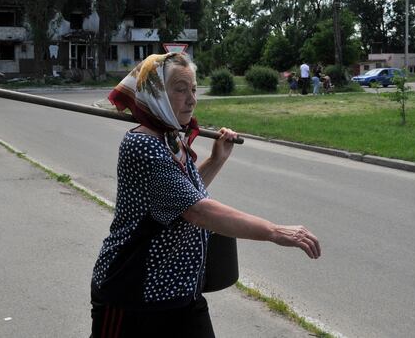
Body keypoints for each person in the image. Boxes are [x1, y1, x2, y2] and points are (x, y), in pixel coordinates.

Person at [91, 53, 321, 337]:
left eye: (194, 89)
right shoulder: (142, 145)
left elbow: (183, 195)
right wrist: (274, 231)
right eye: (180, 89)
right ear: (157, 93)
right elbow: (197, 210)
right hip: (133, 293)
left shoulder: (170, 138)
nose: (191, 99)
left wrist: (216, 160)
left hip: (180, 292)